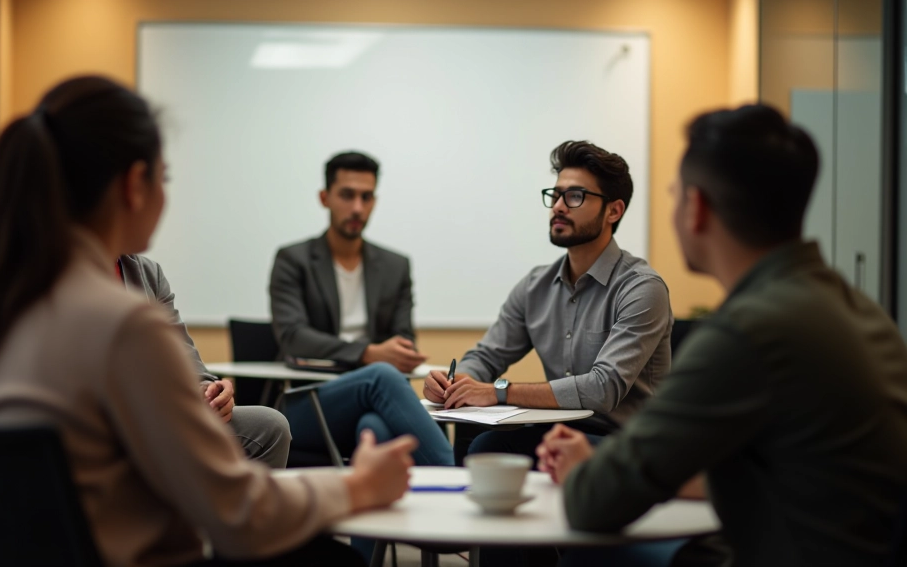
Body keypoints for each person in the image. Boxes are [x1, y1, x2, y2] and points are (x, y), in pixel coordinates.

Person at [0, 76, 418, 567]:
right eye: (164, 179)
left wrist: (209, 390)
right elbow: (240, 511)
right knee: (330, 560)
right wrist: (358, 487)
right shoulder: (122, 323)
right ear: (134, 184)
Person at [538, 105, 907, 566]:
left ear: (696, 209)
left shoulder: (749, 331)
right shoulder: (854, 309)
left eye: (675, 196)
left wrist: (580, 474)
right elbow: (792, 470)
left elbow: (594, 503)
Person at [423, 140, 672, 461]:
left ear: (614, 210)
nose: (558, 206)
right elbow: (486, 357)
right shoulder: (535, 286)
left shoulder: (641, 288)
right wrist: (453, 384)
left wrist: (497, 392)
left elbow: (603, 388)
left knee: (491, 446)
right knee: (473, 427)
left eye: (575, 196)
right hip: (563, 430)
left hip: (629, 442)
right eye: (555, 195)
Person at [268, 151, 453, 467]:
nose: (357, 208)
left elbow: (403, 338)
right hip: (308, 401)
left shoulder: (395, 266)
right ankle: (458, 481)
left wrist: (403, 353)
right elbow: (293, 336)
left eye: (366, 197)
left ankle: (382, 510)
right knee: (379, 376)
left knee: (377, 428)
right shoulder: (293, 260)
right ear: (325, 198)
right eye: (347, 195)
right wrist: (368, 353)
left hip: (375, 400)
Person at [119, 254, 291, 468]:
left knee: (271, 426)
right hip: (115, 421)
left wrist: (210, 391)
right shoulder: (70, 271)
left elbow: (186, 359)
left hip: (164, 416)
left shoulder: (148, 273)